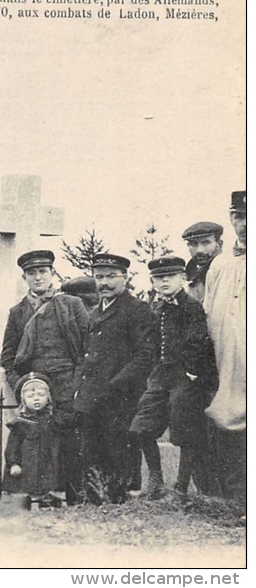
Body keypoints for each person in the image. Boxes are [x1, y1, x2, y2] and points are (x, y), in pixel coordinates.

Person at [1, 250, 89, 501]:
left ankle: (73, 494)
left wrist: (77, 383)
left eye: (42, 272)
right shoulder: (17, 312)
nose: (37, 277)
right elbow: (8, 356)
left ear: (52, 274)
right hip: (35, 386)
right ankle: (37, 494)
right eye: (31, 273)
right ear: (24, 277)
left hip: (66, 382)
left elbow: (87, 347)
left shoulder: (71, 305)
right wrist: (20, 384)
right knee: (36, 445)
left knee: (69, 439)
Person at [129, 256, 218, 497]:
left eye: (170, 276)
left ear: (182, 278)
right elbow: (153, 344)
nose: (164, 280)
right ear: (153, 281)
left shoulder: (191, 307)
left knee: (184, 430)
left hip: (184, 377)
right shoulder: (157, 308)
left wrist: (191, 373)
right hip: (160, 376)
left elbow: (198, 341)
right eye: (159, 277)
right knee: (141, 426)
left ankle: (181, 486)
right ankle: (155, 482)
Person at [73, 253, 157, 504]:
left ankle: (122, 497)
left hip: (122, 395)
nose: (104, 283)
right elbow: (88, 354)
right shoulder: (96, 311)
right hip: (93, 394)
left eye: (111, 276)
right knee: (93, 446)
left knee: (120, 446)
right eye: (99, 277)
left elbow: (145, 356)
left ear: (125, 278)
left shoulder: (138, 310)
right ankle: (97, 497)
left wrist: (116, 384)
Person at [202, 190, 246, 502]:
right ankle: (233, 497)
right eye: (239, 216)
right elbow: (208, 310)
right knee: (226, 418)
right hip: (225, 358)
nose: (244, 224)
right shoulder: (221, 263)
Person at [2, 373, 62, 506]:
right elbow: (12, 446)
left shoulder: (53, 421)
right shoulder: (21, 423)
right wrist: (14, 463)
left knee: (48, 492)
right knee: (23, 496)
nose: (36, 399)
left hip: (47, 466)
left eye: (41, 395)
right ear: (23, 400)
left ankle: (47, 505)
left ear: (48, 397)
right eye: (31, 396)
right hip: (28, 467)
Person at [181, 221, 224, 302]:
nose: (199, 250)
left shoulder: (230, 272)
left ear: (219, 244)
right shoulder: (186, 279)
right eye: (194, 244)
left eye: (206, 242)